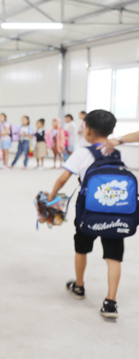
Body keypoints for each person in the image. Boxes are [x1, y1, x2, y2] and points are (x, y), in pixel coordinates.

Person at [46, 110, 122, 319]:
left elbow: (63, 179)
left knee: (81, 249)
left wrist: (51, 196)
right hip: (115, 211)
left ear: (87, 130)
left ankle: (79, 286)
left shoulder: (82, 152)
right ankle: (110, 302)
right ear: (111, 131)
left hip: (89, 211)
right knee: (113, 256)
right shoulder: (115, 152)